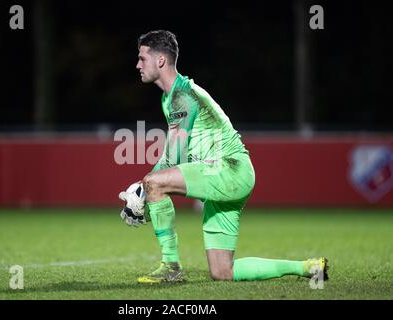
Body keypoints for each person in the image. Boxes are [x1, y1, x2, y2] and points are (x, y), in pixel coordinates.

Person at [120, 30, 328, 284]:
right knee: (222, 272)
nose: (137, 64)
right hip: (233, 173)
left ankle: (170, 267)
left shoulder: (182, 96)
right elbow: (169, 155)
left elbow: (174, 157)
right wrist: (146, 189)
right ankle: (309, 267)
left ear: (160, 60)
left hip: (227, 169)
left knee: (155, 182)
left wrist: (144, 189)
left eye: (142, 58)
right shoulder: (171, 97)